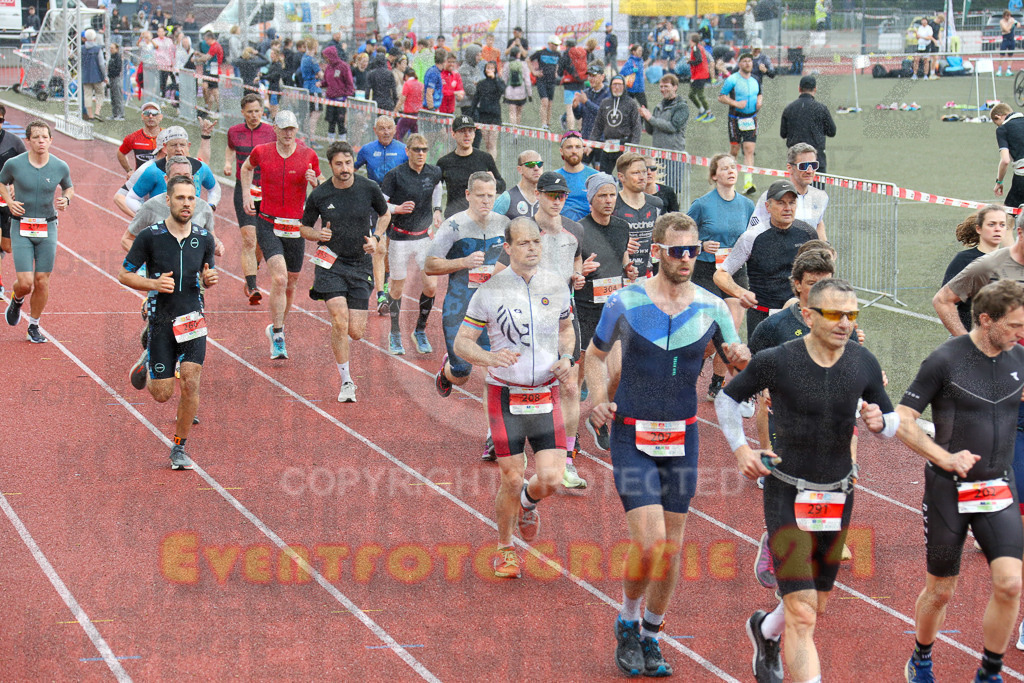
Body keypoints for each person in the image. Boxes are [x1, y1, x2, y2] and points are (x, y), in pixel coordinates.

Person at [587, 213, 748, 677]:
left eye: (693, 251)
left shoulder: (713, 308)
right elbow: (594, 359)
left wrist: (740, 359)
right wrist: (598, 399)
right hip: (632, 433)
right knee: (652, 542)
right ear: (657, 250)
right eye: (677, 251)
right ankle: (627, 619)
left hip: (683, 435)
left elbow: (738, 366)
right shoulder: (625, 302)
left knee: (672, 549)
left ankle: (653, 635)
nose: (685, 259)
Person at [715, 278, 895, 683]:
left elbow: (890, 421)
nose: (845, 322)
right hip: (787, 491)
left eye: (852, 314)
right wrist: (741, 449)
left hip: (838, 494)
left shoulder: (862, 361)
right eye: (834, 313)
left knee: (816, 604)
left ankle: (764, 631)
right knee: (801, 611)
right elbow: (727, 398)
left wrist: (881, 422)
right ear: (809, 314)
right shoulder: (778, 360)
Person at [898, 279, 1024, 683]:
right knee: (941, 591)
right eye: (1015, 325)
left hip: (998, 487)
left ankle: (989, 672)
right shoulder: (945, 360)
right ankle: (921, 656)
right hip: (947, 491)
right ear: (986, 320)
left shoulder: (1018, 357)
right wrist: (944, 456)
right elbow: (903, 421)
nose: (1021, 334)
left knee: (1009, 584)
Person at [457, 217, 576, 577]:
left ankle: (528, 502)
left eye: (536, 242)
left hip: (546, 393)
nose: (532, 249)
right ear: (507, 248)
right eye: (523, 243)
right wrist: (489, 358)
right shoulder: (490, 291)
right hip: (504, 394)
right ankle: (505, 547)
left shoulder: (556, 286)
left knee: (553, 479)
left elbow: (567, 329)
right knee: (511, 476)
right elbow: (463, 343)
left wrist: (567, 357)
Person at [495, 173, 588, 486]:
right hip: (525, 320)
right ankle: (509, 440)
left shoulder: (574, 229)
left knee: (570, 385)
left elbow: (576, 258)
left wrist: (576, 276)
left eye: (562, 195)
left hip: (562, 317)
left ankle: (568, 460)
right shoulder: (522, 229)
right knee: (522, 382)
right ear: (538, 194)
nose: (557, 200)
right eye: (551, 194)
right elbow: (498, 274)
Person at [121, 175, 218, 470]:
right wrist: (152, 282)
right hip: (161, 320)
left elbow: (206, 275)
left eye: (191, 198)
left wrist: (209, 280)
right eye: (180, 198)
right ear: (169, 200)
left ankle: (179, 448)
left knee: (190, 382)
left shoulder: (204, 238)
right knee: (162, 394)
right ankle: (149, 361)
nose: (186, 203)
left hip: (192, 318)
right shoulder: (150, 237)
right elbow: (125, 274)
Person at [300, 141, 390, 403]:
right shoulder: (320, 194)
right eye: (339, 164)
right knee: (339, 320)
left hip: (360, 264)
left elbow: (385, 215)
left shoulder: (368, 187)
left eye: (348, 163)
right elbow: (303, 228)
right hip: (331, 263)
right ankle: (347, 381)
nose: (345, 168)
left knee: (356, 332)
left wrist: (377, 237)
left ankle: (346, 366)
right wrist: (318, 234)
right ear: (331, 165)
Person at [240, 110, 324, 360]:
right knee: (279, 278)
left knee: (292, 282)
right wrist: (246, 194)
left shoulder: (309, 155)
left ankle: (277, 327)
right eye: (284, 128)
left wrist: (315, 182)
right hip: (268, 222)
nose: (288, 133)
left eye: (292, 129)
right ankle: (278, 335)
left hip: (295, 227)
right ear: (274, 129)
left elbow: (323, 185)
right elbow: (246, 168)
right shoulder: (262, 151)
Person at [427, 172, 509, 414]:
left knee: (496, 371)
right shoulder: (453, 225)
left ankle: (493, 436)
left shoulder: (505, 225)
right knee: (462, 373)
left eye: (490, 196)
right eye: (480, 195)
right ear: (468, 195)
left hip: (494, 308)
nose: (485, 201)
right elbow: (430, 265)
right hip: (460, 305)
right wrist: (462, 262)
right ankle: (447, 371)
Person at [713, 180, 817, 341]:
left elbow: (820, 274)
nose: (788, 208)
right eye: (781, 203)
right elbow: (721, 274)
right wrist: (741, 292)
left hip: (798, 315)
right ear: (768, 207)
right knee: (761, 364)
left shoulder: (807, 233)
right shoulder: (752, 237)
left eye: (792, 202)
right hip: (762, 316)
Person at [687, 153, 755, 398]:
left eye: (733, 167)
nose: (730, 171)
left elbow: (753, 237)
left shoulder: (747, 205)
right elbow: (683, 235)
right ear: (714, 175)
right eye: (724, 168)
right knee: (708, 338)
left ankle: (717, 383)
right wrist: (701, 244)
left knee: (730, 331)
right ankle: (692, 367)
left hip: (735, 271)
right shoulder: (702, 204)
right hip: (706, 272)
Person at [576, 173, 634, 450]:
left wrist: (629, 269)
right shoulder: (578, 230)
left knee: (621, 372)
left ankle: (598, 419)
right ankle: (566, 436)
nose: (609, 200)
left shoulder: (622, 228)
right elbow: (568, 272)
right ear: (591, 200)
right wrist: (579, 273)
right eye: (603, 195)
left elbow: (623, 260)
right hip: (585, 311)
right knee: (575, 382)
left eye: (612, 195)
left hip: (613, 311)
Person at [0, 121, 72, 344]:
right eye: (36, 137)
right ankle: (17, 298)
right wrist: (10, 201)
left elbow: (68, 186)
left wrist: (66, 198)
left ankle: (34, 324)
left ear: (51, 140)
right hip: (21, 225)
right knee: (25, 283)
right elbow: (2, 183)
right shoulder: (14, 164)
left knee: (42, 280)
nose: (41, 141)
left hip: (47, 226)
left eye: (45, 137)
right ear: (28, 140)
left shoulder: (60, 166)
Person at [381, 133, 443, 356]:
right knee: (397, 286)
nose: (420, 154)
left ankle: (419, 330)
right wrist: (397, 209)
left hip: (424, 237)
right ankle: (395, 332)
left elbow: (437, 188)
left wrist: (437, 210)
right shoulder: (395, 175)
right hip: (400, 237)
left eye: (424, 150)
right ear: (407, 151)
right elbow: (380, 204)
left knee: (432, 285)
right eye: (416, 149)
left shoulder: (434, 171)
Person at [224, 93, 276, 306]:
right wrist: (228, 163)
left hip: (267, 190)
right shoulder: (234, 132)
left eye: (257, 111)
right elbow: (230, 147)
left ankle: (253, 265)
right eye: (250, 112)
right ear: (243, 112)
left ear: (262, 111)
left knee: (262, 240)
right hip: (244, 188)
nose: (254, 115)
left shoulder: (272, 132)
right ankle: (252, 285)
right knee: (248, 238)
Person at [941, 206, 1008, 334]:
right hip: (971, 335)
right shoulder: (964, 260)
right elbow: (944, 301)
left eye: (1002, 225)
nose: (997, 229)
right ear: (979, 228)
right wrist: (962, 337)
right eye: (991, 224)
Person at [748, 144, 829, 241]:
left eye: (814, 165)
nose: (810, 171)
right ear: (790, 168)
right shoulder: (770, 196)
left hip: (808, 255)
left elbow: (818, 223)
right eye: (804, 166)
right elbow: (753, 232)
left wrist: (826, 247)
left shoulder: (820, 196)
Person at [436, 114, 505, 218]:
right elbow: (434, 188)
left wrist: (493, 182)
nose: (467, 135)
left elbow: (502, 186)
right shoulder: (444, 162)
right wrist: (437, 210)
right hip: (454, 220)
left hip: (479, 218)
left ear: (474, 134)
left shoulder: (485, 158)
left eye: (470, 131)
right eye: (462, 131)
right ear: (453, 134)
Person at [613, 152, 663, 281]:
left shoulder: (656, 203)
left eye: (644, 172)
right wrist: (620, 244)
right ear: (621, 177)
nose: (642, 177)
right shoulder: (612, 204)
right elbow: (598, 237)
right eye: (636, 173)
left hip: (648, 273)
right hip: (618, 274)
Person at [719, 52, 762, 195]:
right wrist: (735, 103)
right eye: (744, 61)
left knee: (749, 150)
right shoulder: (732, 79)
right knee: (735, 150)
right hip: (735, 119)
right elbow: (721, 97)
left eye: (750, 61)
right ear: (739, 64)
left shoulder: (756, 79)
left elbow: (760, 93)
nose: (748, 63)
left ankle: (748, 182)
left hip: (751, 119)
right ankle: (731, 181)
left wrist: (760, 100)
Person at [779, 76, 837, 175]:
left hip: (796, 158)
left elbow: (783, 133)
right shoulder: (821, 108)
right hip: (816, 158)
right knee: (817, 189)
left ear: (799, 88)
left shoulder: (789, 108)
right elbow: (832, 131)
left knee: (797, 188)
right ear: (815, 89)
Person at [592, 75, 642, 174]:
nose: (617, 87)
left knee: (626, 177)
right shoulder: (605, 103)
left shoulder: (631, 103)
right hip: (608, 145)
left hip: (624, 146)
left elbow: (636, 127)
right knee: (603, 176)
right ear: (610, 86)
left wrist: (632, 146)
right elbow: (598, 125)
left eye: (620, 84)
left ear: (624, 86)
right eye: (614, 84)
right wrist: (591, 143)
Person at [555, 131, 599, 221]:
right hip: (561, 228)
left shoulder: (595, 177)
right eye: (569, 147)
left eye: (578, 147)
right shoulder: (554, 177)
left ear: (583, 150)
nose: (574, 151)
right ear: (561, 151)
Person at [640, 73, 689, 151]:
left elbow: (672, 127)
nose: (663, 89)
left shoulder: (682, 107)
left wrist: (650, 118)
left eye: (666, 86)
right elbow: (651, 131)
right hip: (657, 154)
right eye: (661, 87)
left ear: (675, 87)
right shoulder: (658, 107)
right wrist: (646, 117)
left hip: (674, 156)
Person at [494, 150, 543, 220]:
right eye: (530, 164)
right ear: (520, 170)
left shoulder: (546, 197)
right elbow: (491, 224)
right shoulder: (507, 198)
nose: (536, 168)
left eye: (539, 164)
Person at [992, 103, 1024, 208]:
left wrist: (999, 181)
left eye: (997, 123)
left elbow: (1005, 160)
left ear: (998, 117)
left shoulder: (1003, 129)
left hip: (1022, 176)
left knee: (1009, 213)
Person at [470, 61, 505, 157]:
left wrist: (494, 79)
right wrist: (472, 111)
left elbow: (502, 90)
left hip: (495, 115)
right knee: (487, 143)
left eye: (492, 68)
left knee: (492, 143)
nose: (489, 70)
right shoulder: (481, 84)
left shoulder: (499, 82)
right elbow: (476, 98)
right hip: (484, 115)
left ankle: (492, 167)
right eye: (488, 68)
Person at [321, 45, 355, 143]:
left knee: (341, 122)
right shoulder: (328, 67)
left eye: (327, 57)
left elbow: (349, 83)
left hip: (340, 100)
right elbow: (327, 81)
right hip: (330, 99)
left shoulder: (343, 66)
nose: (326, 59)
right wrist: (321, 84)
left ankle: (342, 142)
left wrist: (347, 95)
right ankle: (331, 143)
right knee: (331, 122)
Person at [117, 104, 164, 175]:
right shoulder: (133, 137)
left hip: (163, 181)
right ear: (142, 116)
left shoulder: (169, 136)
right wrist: (129, 170)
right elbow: (121, 153)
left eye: (154, 113)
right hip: (141, 181)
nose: (150, 116)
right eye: (147, 113)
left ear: (160, 117)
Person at [530, 35, 562, 130]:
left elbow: (558, 64)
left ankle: (548, 123)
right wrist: (534, 72)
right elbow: (528, 60)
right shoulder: (541, 53)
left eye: (557, 45)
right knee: (544, 102)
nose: (556, 46)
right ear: (550, 44)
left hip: (552, 81)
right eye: (555, 44)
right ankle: (543, 124)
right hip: (542, 81)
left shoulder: (558, 54)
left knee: (550, 104)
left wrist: (556, 71)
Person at [572, 64, 609, 142]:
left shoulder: (608, 94)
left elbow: (603, 114)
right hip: (586, 137)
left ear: (602, 77)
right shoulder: (586, 93)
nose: (591, 79)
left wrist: (586, 102)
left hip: (601, 140)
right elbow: (578, 116)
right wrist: (575, 107)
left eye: (594, 76)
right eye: (589, 76)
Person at [558, 38, 587, 131]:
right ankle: (581, 132)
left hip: (569, 86)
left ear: (566, 45)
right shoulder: (581, 54)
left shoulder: (565, 56)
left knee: (570, 110)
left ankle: (571, 133)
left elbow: (559, 73)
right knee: (581, 110)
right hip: (581, 85)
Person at [193, 31, 224, 114]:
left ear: (210, 39)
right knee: (208, 89)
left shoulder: (215, 46)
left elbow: (206, 58)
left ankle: (219, 109)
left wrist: (196, 60)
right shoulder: (213, 46)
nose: (206, 42)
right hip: (210, 70)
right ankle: (208, 108)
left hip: (214, 71)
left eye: (207, 40)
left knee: (214, 90)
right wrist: (199, 54)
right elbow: (208, 56)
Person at [687, 33, 715, 122]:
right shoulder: (697, 47)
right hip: (697, 75)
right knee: (691, 94)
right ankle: (702, 111)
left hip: (700, 75)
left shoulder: (696, 48)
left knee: (700, 95)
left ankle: (710, 114)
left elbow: (699, 60)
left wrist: (690, 61)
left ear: (692, 41)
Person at [81, 29, 106, 121]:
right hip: (97, 75)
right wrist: (104, 76)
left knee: (87, 95)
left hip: (85, 75)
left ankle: (90, 115)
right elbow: (101, 64)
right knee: (100, 93)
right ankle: (97, 112)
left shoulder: (82, 49)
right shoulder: (98, 49)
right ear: (94, 38)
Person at [502, 48, 532, 127]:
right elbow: (527, 81)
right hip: (521, 93)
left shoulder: (507, 64)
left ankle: (513, 131)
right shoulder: (523, 64)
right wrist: (530, 94)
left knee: (512, 113)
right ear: (518, 54)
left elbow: (504, 79)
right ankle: (517, 132)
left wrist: (503, 93)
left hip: (510, 93)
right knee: (519, 113)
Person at [396, 68, 423, 140]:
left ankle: (401, 150)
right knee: (416, 138)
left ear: (406, 76)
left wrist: (395, 111)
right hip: (417, 115)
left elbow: (402, 99)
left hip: (408, 115)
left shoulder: (407, 84)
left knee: (398, 135)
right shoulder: (420, 84)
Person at [108, 42, 125, 121]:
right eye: (110, 48)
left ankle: (121, 114)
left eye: (112, 48)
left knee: (118, 97)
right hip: (111, 78)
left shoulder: (118, 57)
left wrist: (111, 73)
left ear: (116, 49)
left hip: (116, 78)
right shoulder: (112, 57)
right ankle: (114, 114)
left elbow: (118, 69)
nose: (111, 50)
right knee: (113, 97)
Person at [999, 10, 1019, 77]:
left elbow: (1018, 25)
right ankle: (999, 70)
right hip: (1005, 39)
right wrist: (1011, 24)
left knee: (1010, 55)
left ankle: (1009, 69)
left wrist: (1016, 23)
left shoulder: (1012, 20)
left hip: (1011, 40)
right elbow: (1006, 30)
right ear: (1004, 16)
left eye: (1009, 15)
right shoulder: (1002, 22)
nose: (1008, 17)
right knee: (1002, 55)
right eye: (1007, 15)